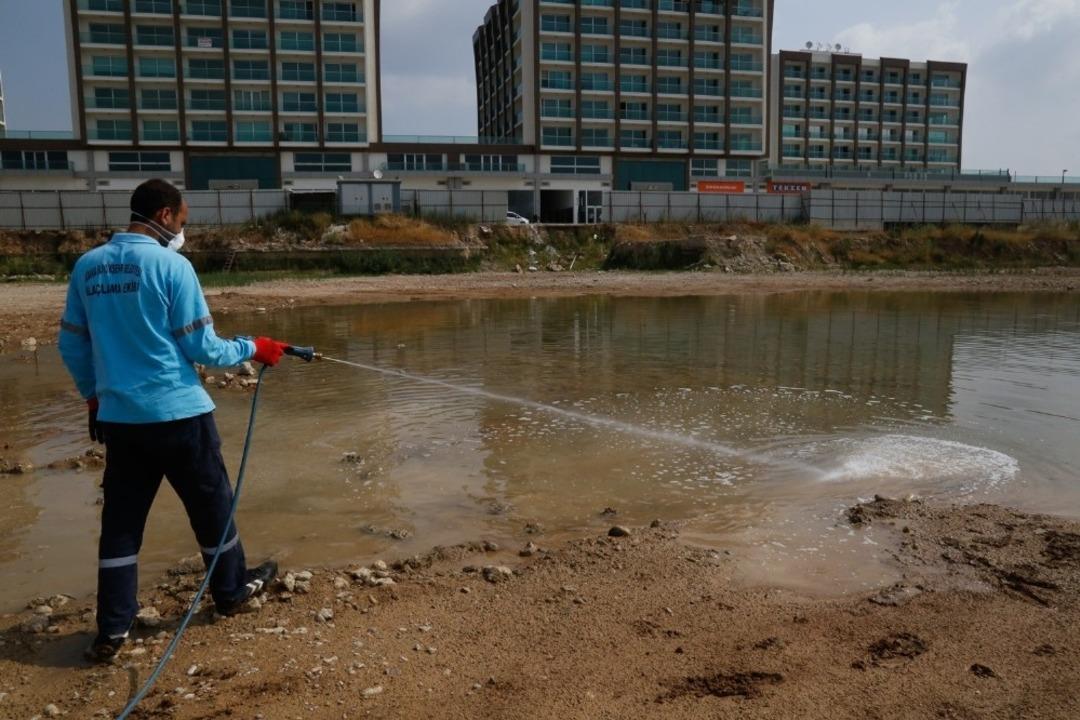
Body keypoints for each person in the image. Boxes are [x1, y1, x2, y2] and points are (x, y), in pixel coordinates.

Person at [59, 179, 286, 663]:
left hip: (120, 421)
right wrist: (256, 348)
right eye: (182, 220)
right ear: (164, 216)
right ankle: (230, 594)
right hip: (180, 416)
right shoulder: (172, 266)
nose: (184, 229)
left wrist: (94, 399)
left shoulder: (88, 267)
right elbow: (204, 348)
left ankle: (113, 629)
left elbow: (71, 344)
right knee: (211, 507)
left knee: (121, 523)